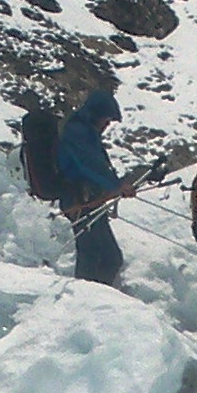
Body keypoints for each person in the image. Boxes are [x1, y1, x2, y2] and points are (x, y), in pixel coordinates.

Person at [54, 87, 124, 285]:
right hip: (78, 200)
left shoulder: (86, 132)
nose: (106, 125)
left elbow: (97, 165)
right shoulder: (77, 132)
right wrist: (116, 186)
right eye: (106, 120)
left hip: (90, 201)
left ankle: (95, 301)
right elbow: (89, 165)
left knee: (110, 258)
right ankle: (83, 303)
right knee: (93, 254)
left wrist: (116, 185)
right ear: (96, 114)